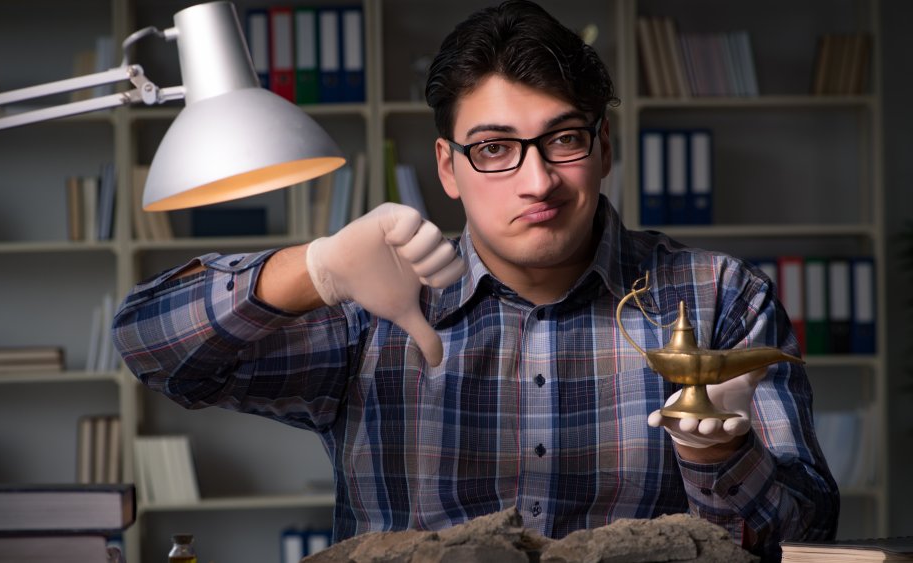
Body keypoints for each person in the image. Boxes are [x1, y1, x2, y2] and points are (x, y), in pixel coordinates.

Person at [112, 1, 838, 560]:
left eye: (564, 139)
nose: (538, 180)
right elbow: (149, 345)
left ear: (604, 146)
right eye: (495, 148)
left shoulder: (720, 298)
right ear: (448, 167)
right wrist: (316, 268)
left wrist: (721, 460)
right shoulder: (373, 302)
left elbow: (804, 537)